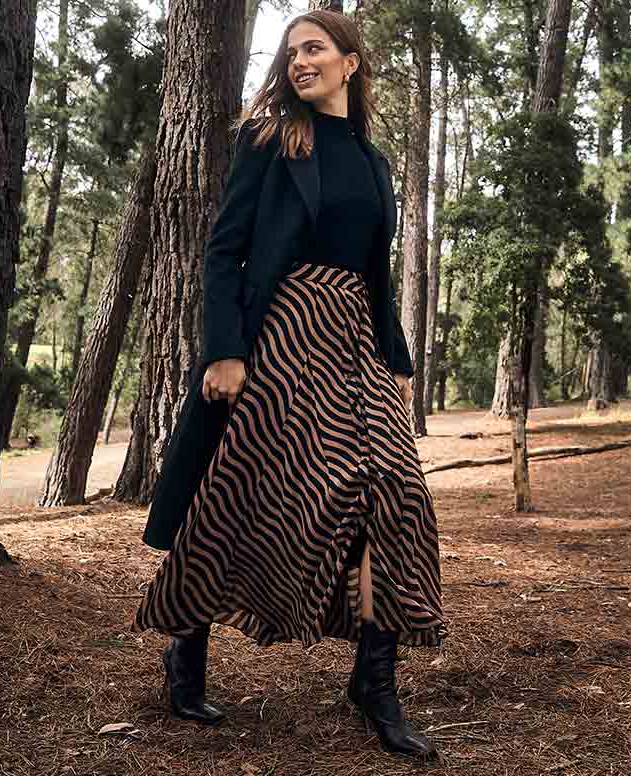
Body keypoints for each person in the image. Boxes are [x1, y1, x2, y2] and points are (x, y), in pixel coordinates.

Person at [131, 9, 446, 760]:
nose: (300, 61)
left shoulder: (373, 165)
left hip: (356, 345)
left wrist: (397, 365)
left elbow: (376, 274)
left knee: (397, 492)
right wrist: (225, 351)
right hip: (280, 335)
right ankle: (187, 648)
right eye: (291, 52)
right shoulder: (272, 139)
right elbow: (224, 250)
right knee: (241, 488)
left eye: (315, 49)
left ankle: (375, 680)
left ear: (350, 63)